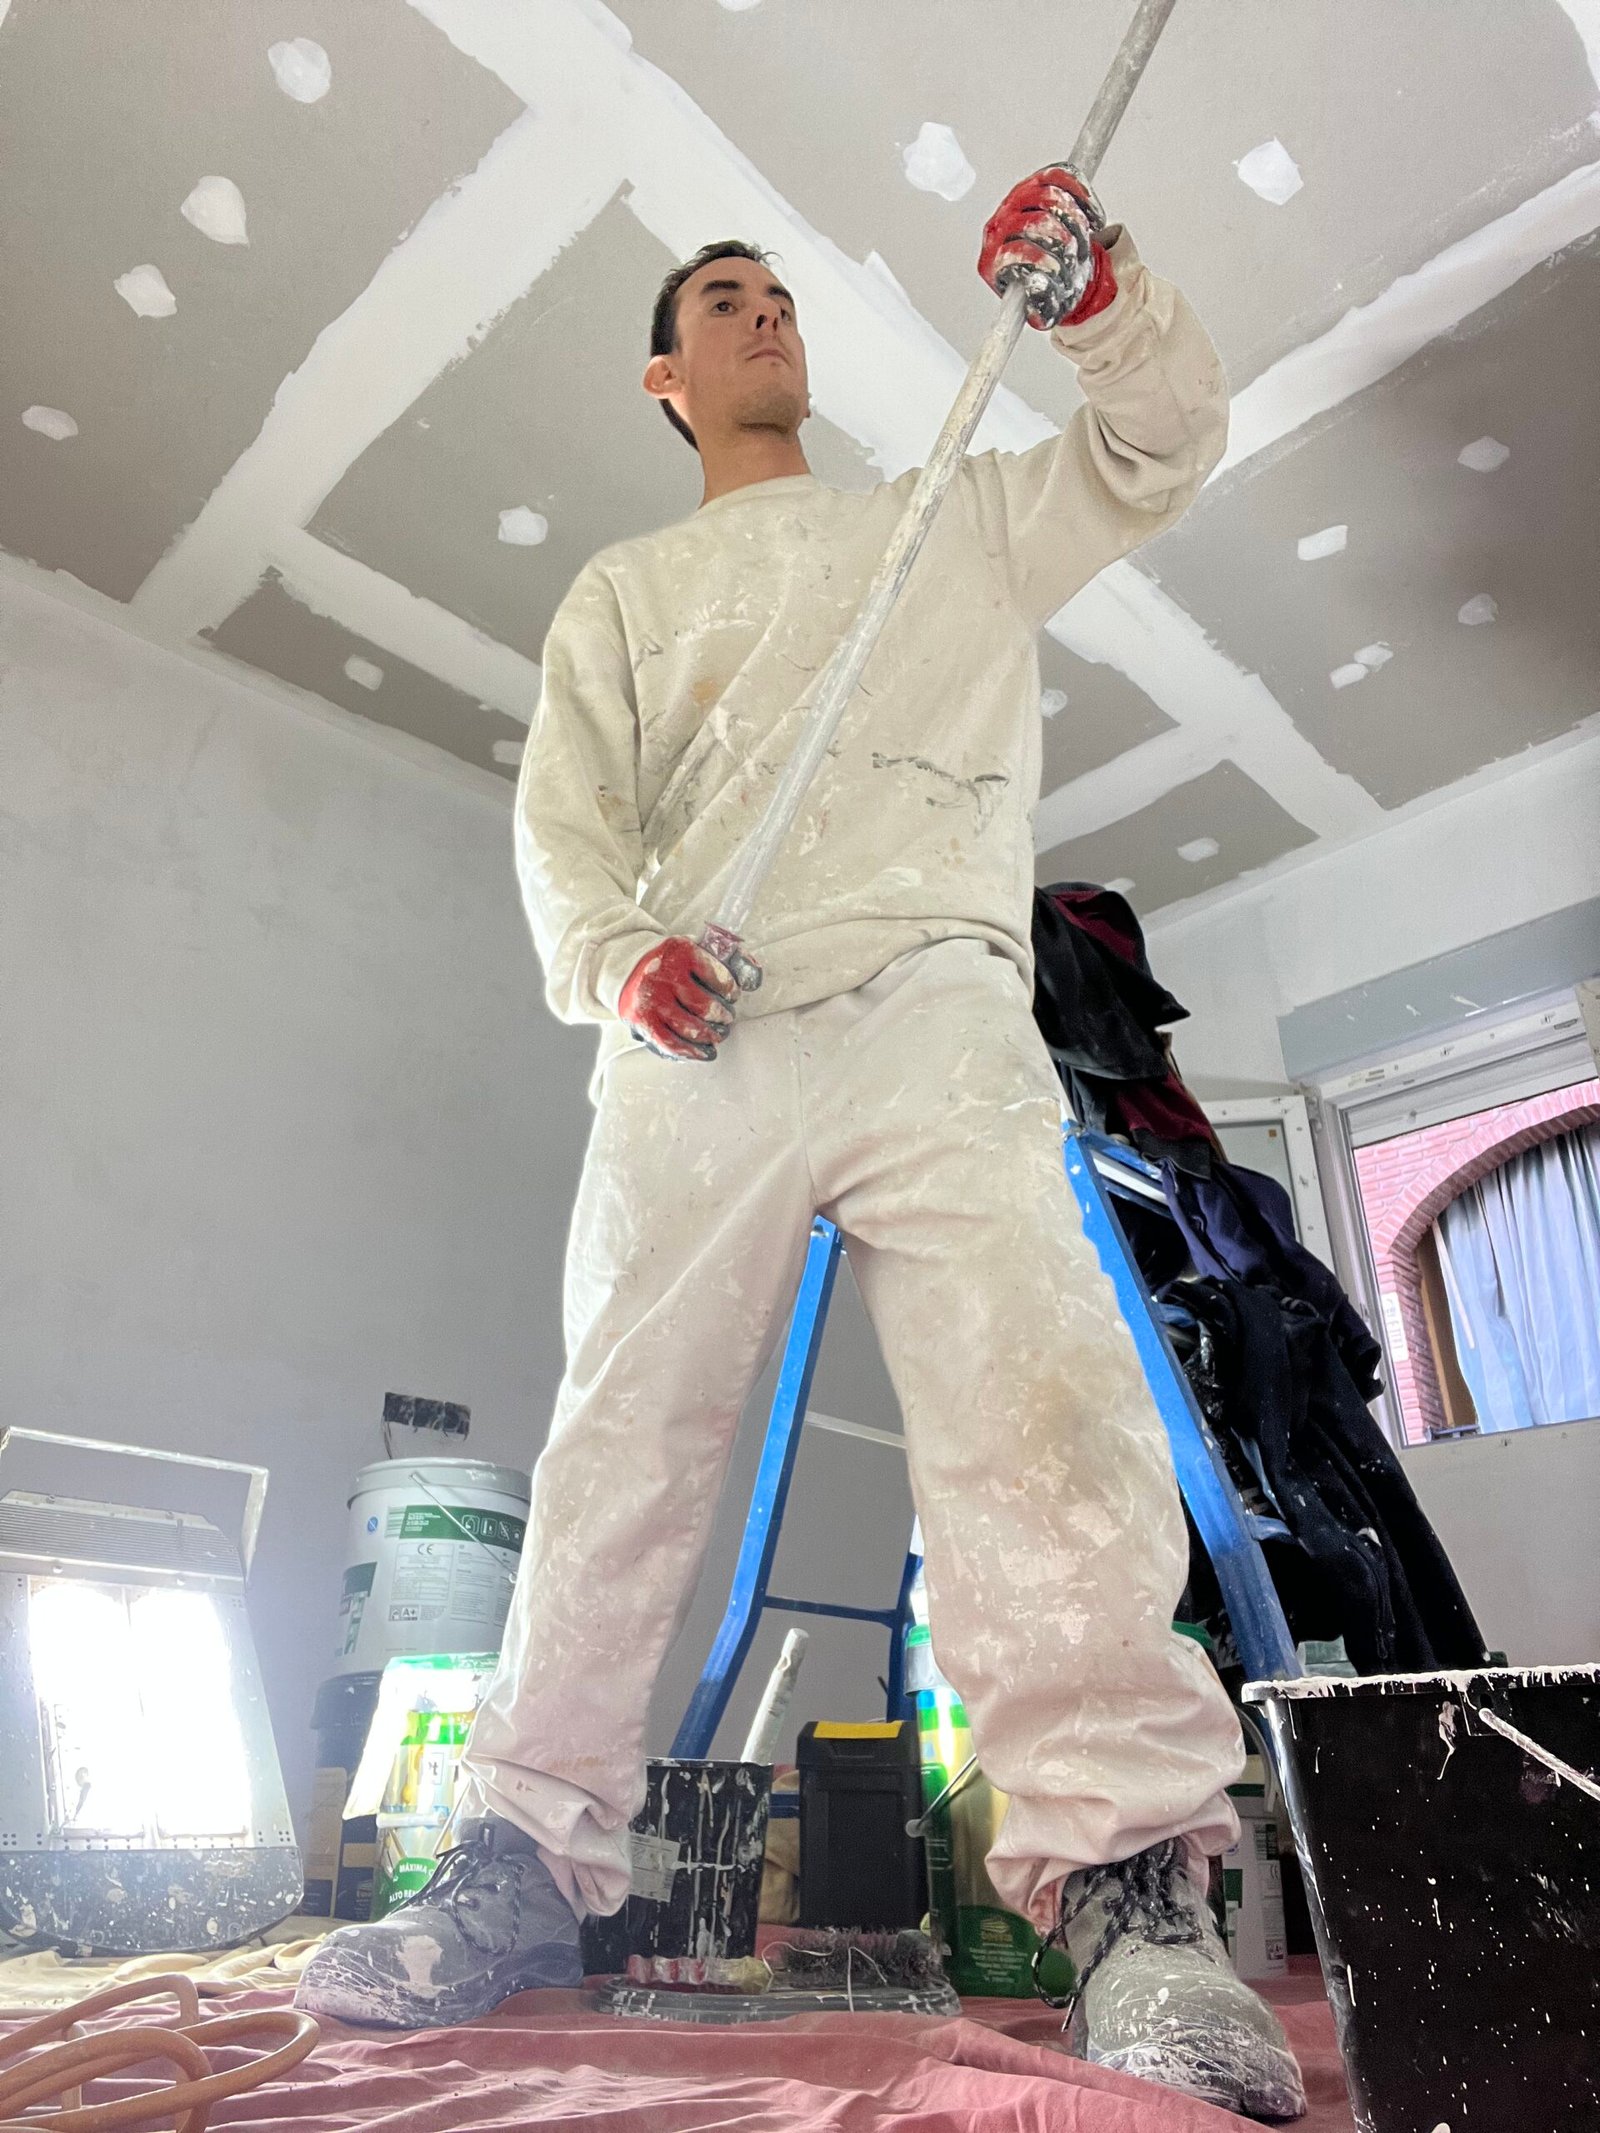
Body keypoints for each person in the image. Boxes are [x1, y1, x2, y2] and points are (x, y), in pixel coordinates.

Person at [298, 168, 1306, 2120]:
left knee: (1036, 1405)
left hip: (935, 998)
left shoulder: (947, 522)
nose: (764, 312)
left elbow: (1157, 444)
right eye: (723, 300)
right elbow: (569, 822)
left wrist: (1102, 301)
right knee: (621, 1440)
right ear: (665, 378)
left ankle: (1132, 1890)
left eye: (777, 292)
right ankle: (511, 1858)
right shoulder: (626, 594)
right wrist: (618, 959)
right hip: (702, 1028)